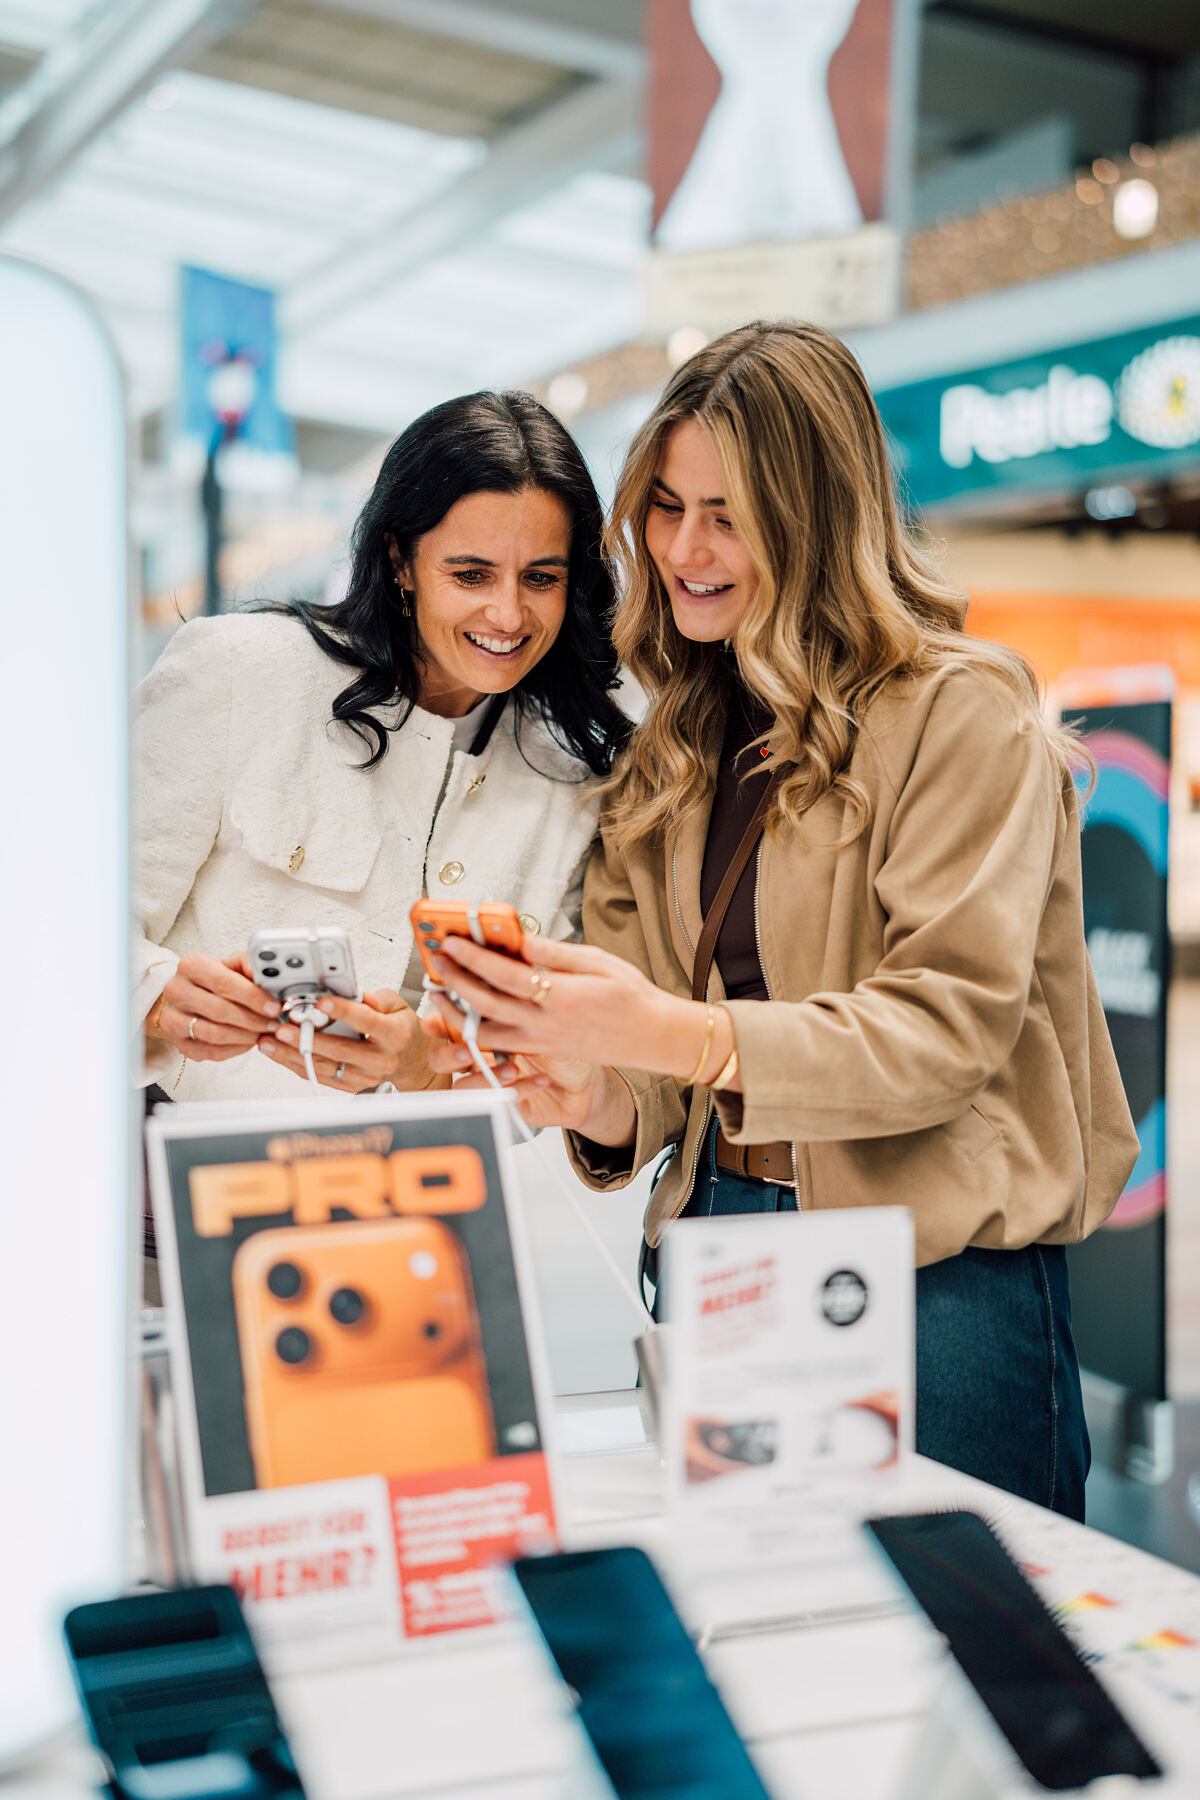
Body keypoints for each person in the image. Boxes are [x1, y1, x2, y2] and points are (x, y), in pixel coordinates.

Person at [422, 322, 1139, 1521]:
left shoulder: (961, 711)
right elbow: (651, 1071)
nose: (686, 549)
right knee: (773, 1641)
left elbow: (944, 1033)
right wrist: (588, 1086)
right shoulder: (676, 748)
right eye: (665, 505)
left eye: (730, 514)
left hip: (933, 1277)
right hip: (727, 1248)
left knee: (970, 1664)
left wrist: (678, 1036)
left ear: (815, 517)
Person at [136, 390, 629, 1106]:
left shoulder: (572, 781)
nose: (509, 614)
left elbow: (553, 1068)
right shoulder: (240, 672)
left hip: (429, 1197)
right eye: (471, 574)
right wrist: (156, 997)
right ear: (400, 560)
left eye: (541, 579)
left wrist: (424, 1064)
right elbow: (53, 915)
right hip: (190, 1184)